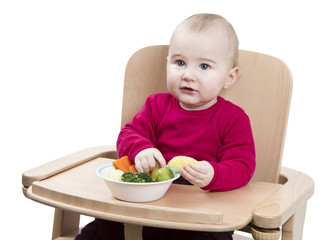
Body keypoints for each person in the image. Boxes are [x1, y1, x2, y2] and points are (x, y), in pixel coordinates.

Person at [76, 13, 255, 240]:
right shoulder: (156, 106)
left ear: (229, 77)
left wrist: (215, 174)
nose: (188, 75)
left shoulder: (233, 119)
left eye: (204, 66)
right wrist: (141, 149)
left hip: (199, 216)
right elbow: (128, 134)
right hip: (143, 205)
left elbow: (243, 166)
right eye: (180, 63)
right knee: (99, 229)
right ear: (168, 63)